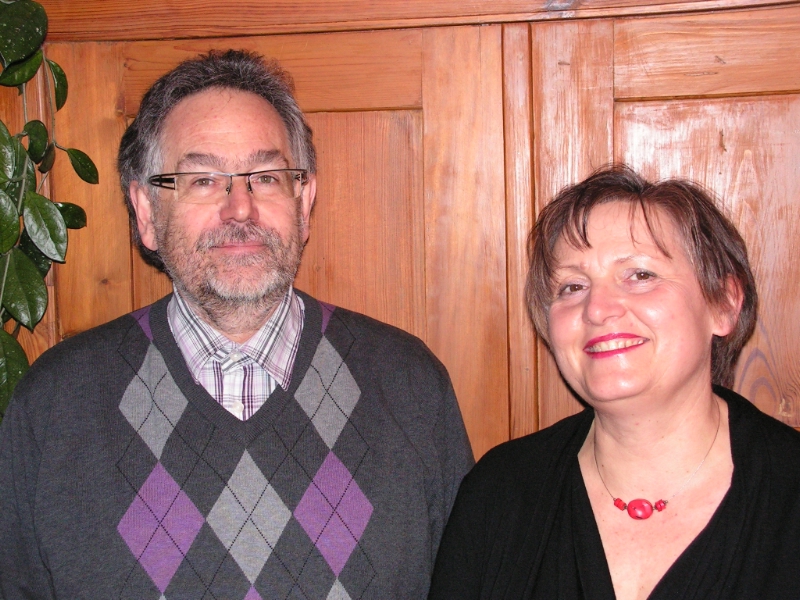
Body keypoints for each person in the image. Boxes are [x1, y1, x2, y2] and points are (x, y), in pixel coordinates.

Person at [0, 50, 473, 600]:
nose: (240, 208)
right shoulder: (55, 405)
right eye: (203, 180)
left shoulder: (411, 388)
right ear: (147, 213)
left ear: (304, 202)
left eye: (266, 177)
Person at [428, 165, 800, 599]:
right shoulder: (498, 493)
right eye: (572, 286)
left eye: (640, 275)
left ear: (724, 304)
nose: (597, 308)